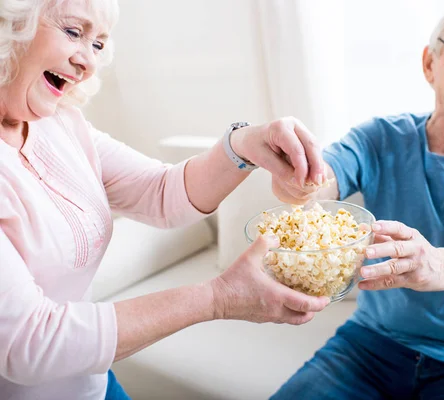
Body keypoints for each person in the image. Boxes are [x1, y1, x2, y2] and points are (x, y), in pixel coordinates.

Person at [0, 0, 331, 399]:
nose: (87, 62)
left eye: (99, 45)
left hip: (94, 382)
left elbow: (160, 192)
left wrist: (245, 145)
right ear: (8, 25)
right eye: (74, 32)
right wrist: (216, 298)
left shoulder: (61, 124)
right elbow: (30, 343)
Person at [270, 2, 444, 399]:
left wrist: (438, 265)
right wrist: (297, 173)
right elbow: (320, 181)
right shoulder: (379, 137)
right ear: (430, 64)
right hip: (371, 344)